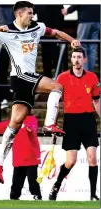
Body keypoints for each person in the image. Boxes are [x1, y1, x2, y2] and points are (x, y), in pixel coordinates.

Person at [0, 1, 81, 184]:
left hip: (28, 79)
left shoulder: (37, 28)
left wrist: (71, 40)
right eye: (30, 13)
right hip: (20, 77)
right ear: (19, 14)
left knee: (15, 123)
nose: (32, 16)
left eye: (33, 13)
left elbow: (55, 32)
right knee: (57, 87)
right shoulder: (7, 32)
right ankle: (49, 124)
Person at [48, 47, 100, 201]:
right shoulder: (62, 78)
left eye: (79, 57)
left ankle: (92, 195)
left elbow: (96, 100)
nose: (76, 60)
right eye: (74, 57)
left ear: (85, 60)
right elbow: (55, 102)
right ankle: (56, 186)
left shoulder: (92, 77)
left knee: (92, 157)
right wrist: (53, 125)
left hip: (88, 120)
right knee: (71, 161)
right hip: (70, 120)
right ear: (71, 60)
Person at [10, 113, 42, 200]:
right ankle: (13, 199)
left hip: (31, 157)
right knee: (16, 183)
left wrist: (29, 128)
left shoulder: (31, 118)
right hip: (19, 158)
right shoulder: (13, 121)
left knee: (33, 181)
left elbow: (33, 127)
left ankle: (37, 197)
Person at [61, 5, 100, 72]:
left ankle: (84, 74)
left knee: (81, 46)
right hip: (98, 20)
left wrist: (68, 10)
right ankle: (90, 74)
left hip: (85, 20)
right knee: (92, 48)